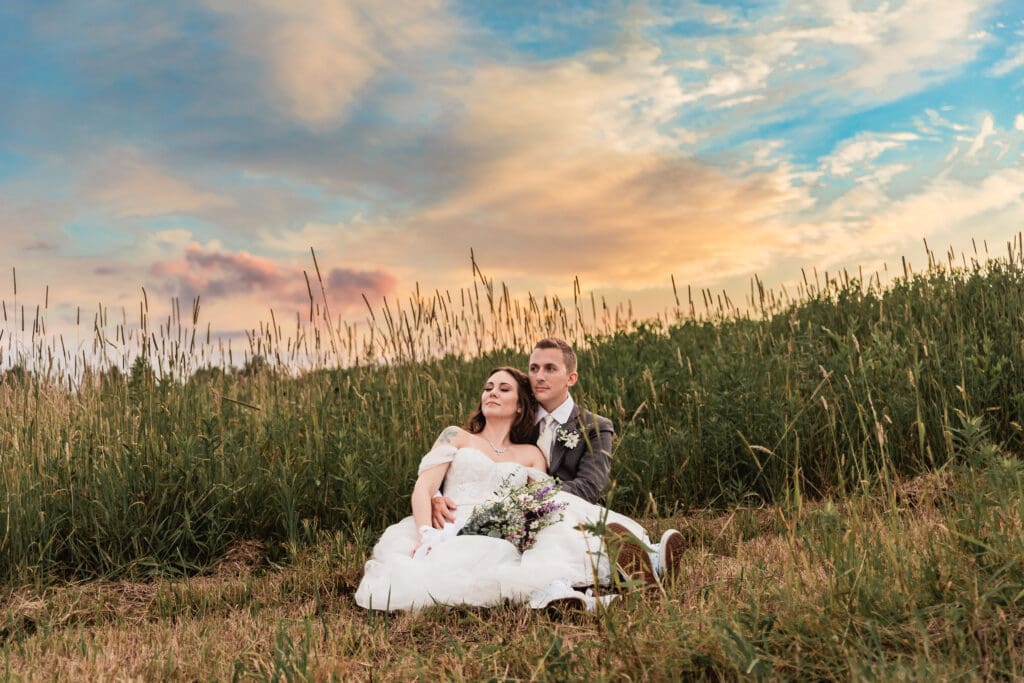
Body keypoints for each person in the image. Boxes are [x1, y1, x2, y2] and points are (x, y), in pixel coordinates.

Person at [354, 366, 672, 611]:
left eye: (504, 388)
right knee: (493, 563)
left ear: (520, 406)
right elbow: (423, 488)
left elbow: (544, 502)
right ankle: (569, 593)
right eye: (488, 387)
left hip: (509, 524)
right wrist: (428, 535)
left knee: (555, 510)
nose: (492, 392)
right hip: (456, 525)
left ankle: (644, 557)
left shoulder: (530, 454)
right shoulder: (457, 436)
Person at [430, 338, 681, 586]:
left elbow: (589, 487)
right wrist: (437, 493)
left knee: (558, 525)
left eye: (550, 369)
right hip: (512, 515)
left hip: (570, 511)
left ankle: (647, 558)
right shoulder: (516, 418)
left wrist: (534, 500)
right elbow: (481, 462)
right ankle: (621, 572)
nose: (539, 376)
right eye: (534, 369)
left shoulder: (595, 426)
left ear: (571, 378)